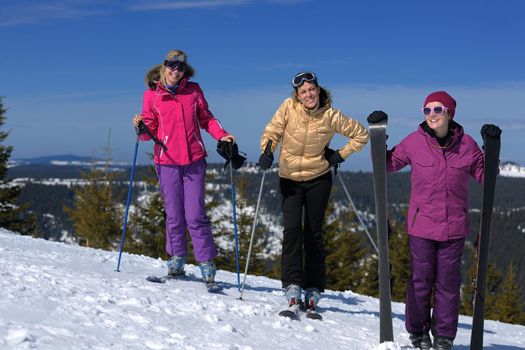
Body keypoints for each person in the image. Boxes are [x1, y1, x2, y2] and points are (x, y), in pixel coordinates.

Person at [367, 91, 501, 350]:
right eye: (427, 110)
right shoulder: (414, 142)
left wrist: (490, 150)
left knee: (448, 283)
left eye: (437, 110)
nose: (431, 115)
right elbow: (385, 164)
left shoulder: (467, 145)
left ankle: (444, 336)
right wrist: (378, 139)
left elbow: (487, 178)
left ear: (449, 113)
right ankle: (418, 332)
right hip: (422, 227)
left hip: (454, 228)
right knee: (420, 280)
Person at [258, 72, 369, 312]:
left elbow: (361, 134)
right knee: (291, 231)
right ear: (297, 96)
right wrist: (267, 150)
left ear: (318, 90)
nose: (308, 95)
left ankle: (314, 287)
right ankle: (292, 284)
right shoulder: (288, 107)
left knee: (313, 233)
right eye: (303, 92)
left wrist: (339, 155)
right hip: (289, 179)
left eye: (311, 89)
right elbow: (272, 131)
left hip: (318, 178)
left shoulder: (331, 115)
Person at [133, 49, 236, 286]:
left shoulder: (194, 90)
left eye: (180, 67)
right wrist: (141, 128)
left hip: (194, 161)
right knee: (174, 214)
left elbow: (207, 119)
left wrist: (222, 136)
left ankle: (207, 264)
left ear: (184, 70)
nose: (175, 71)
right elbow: (149, 128)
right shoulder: (151, 95)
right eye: (171, 65)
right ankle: (176, 259)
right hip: (167, 161)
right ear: (164, 66)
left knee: (195, 214)